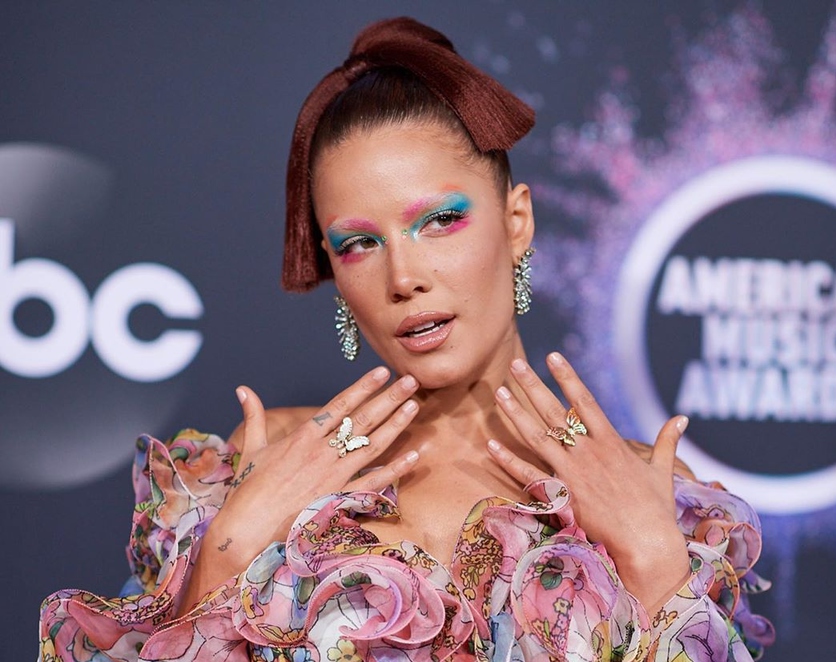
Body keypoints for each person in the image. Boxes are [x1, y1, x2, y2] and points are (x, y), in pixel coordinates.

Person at [39, 16, 774, 662]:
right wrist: (226, 560)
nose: (403, 277)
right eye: (359, 243)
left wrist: (653, 565)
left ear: (516, 221)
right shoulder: (266, 467)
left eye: (439, 221)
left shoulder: (648, 494)